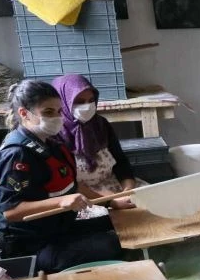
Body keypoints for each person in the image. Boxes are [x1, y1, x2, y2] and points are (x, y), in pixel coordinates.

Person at [0, 80, 122, 273]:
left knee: (118, 222)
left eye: (59, 111)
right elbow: (11, 211)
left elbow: (73, 186)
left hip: (59, 227)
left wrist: (112, 203)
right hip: (33, 244)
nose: (56, 117)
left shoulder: (53, 144)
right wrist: (61, 202)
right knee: (113, 243)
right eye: (48, 112)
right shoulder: (16, 154)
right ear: (24, 113)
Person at [51, 74, 137, 210]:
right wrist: (110, 201)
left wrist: (128, 190)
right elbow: (67, 184)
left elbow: (121, 162)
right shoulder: (54, 134)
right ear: (63, 102)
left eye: (91, 100)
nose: (87, 106)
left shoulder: (101, 125)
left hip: (115, 187)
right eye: (79, 101)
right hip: (82, 198)